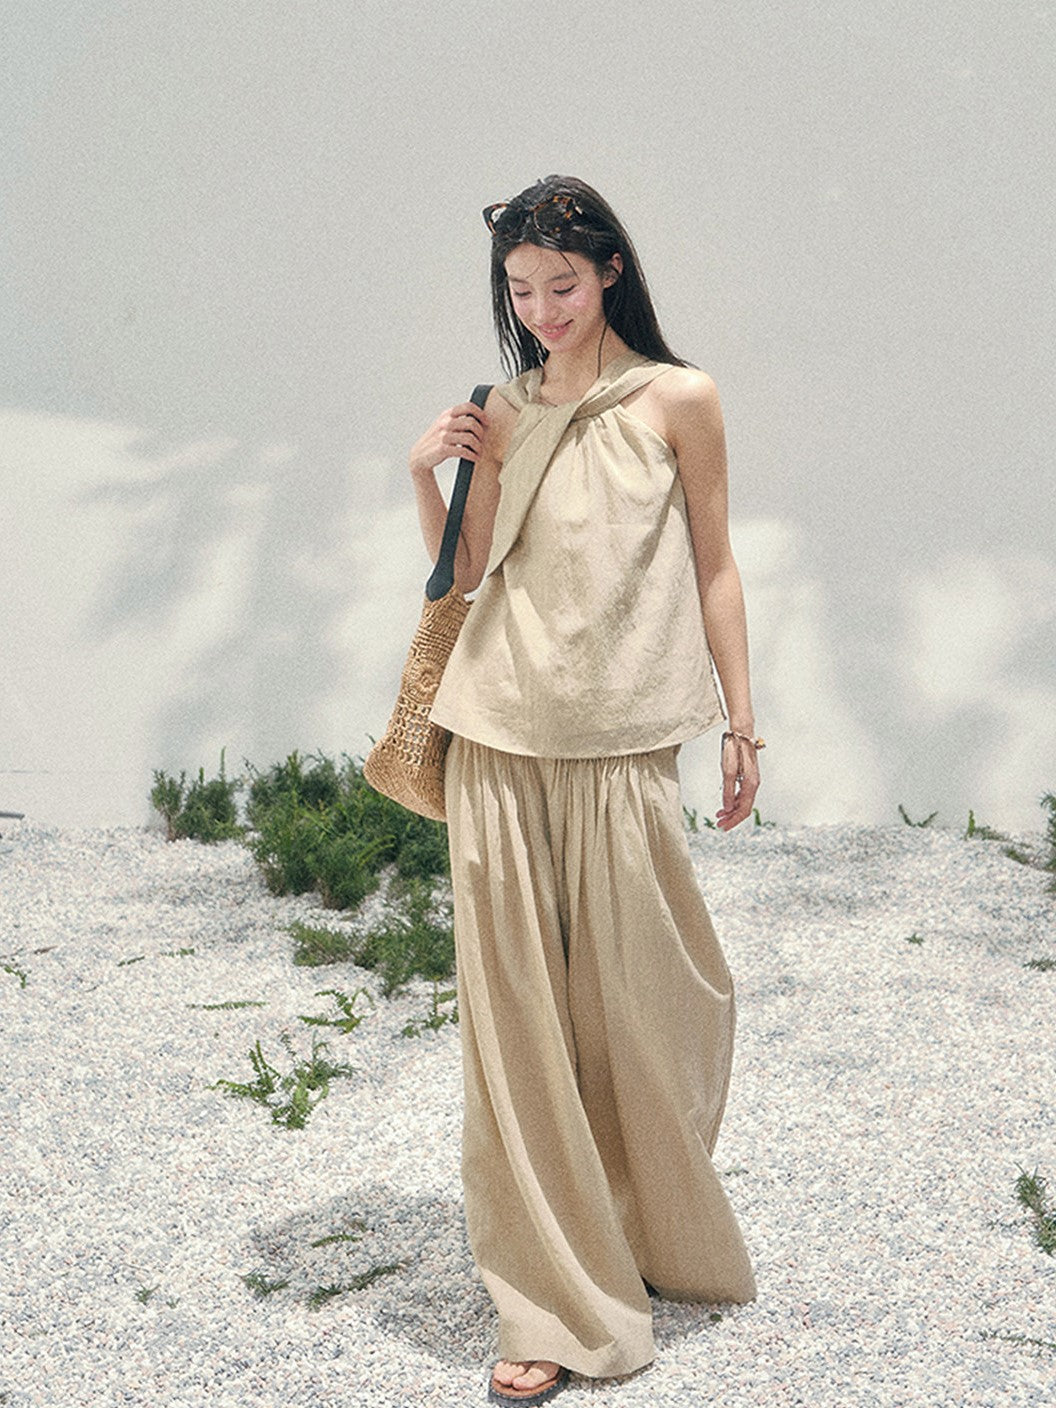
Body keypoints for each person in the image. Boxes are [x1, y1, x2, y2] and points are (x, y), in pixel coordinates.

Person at [407, 175, 762, 1405]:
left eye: (561, 284)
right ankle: (550, 1301)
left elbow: (717, 566)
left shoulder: (679, 399)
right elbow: (462, 575)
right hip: (499, 730)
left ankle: (638, 1220)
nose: (542, 310)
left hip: (620, 743)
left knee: (654, 1003)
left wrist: (742, 724)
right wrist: (426, 475)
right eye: (520, 291)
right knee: (517, 1025)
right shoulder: (502, 409)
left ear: (611, 269)